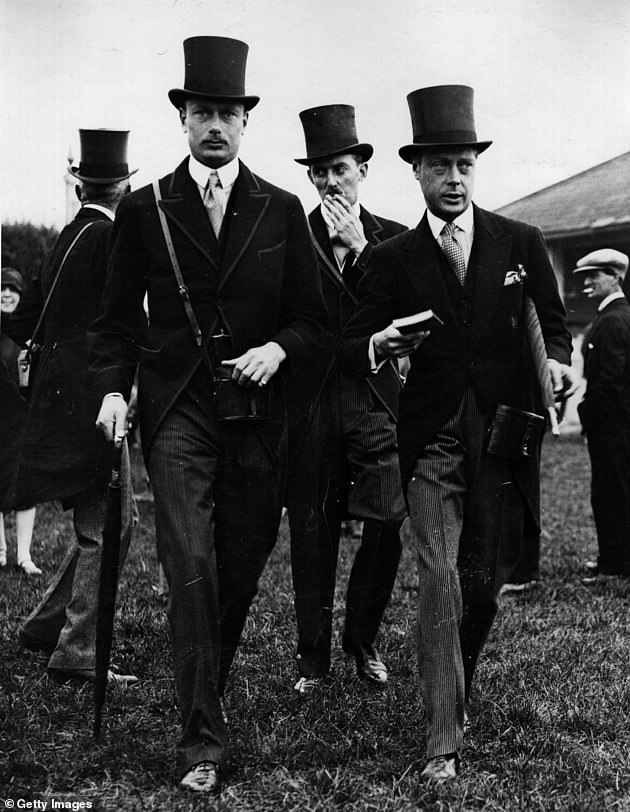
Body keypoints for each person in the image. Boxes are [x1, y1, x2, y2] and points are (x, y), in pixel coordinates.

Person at [89, 37, 326, 795]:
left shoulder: (282, 209)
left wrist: (279, 350)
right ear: (183, 120)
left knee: (240, 564)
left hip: (258, 415)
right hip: (178, 406)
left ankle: (204, 682)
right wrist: (112, 388)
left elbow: (317, 320)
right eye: (203, 112)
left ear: (246, 123)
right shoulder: (145, 207)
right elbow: (115, 319)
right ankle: (202, 739)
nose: (215, 125)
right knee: (189, 563)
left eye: (228, 113)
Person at [338, 85, 575, 782]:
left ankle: (451, 681)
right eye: (438, 166)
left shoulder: (519, 242)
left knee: (482, 587)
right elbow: (352, 341)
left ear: (477, 167)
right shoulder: (391, 259)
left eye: (464, 165)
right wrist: (382, 341)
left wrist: (557, 363)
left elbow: (553, 325)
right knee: (439, 576)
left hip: (505, 438)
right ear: (414, 171)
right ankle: (442, 735)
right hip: (433, 440)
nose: (453, 179)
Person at [5, 130, 138, 685]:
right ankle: (78, 651)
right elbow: (119, 319)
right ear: (122, 186)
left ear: (82, 183)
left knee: (110, 524)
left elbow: (27, 314)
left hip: (60, 397)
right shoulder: (110, 237)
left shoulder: (67, 235)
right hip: (91, 399)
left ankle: (45, 628)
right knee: (110, 526)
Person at [287, 104, 407, 695]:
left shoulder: (395, 239)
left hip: (375, 401)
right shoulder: (290, 235)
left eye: (340, 168)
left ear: (363, 167)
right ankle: (313, 657)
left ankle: (362, 639)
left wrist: (362, 251)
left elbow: (408, 316)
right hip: (311, 405)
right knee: (313, 530)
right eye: (319, 172)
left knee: (387, 519)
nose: (330, 182)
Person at [574, 249, 630, 581]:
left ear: (615, 277)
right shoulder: (624, 316)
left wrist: (587, 412)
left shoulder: (611, 320)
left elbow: (609, 381)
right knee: (616, 492)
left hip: (613, 423)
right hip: (623, 419)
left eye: (594, 275)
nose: (586, 282)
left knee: (609, 493)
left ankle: (615, 565)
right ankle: (616, 558)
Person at [0, 267, 39, 574]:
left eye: (13, 289)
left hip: (22, 420)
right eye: (2, 289)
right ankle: (0, 551)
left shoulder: (30, 334)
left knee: (24, 486)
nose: (6, 294)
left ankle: (24, 556)